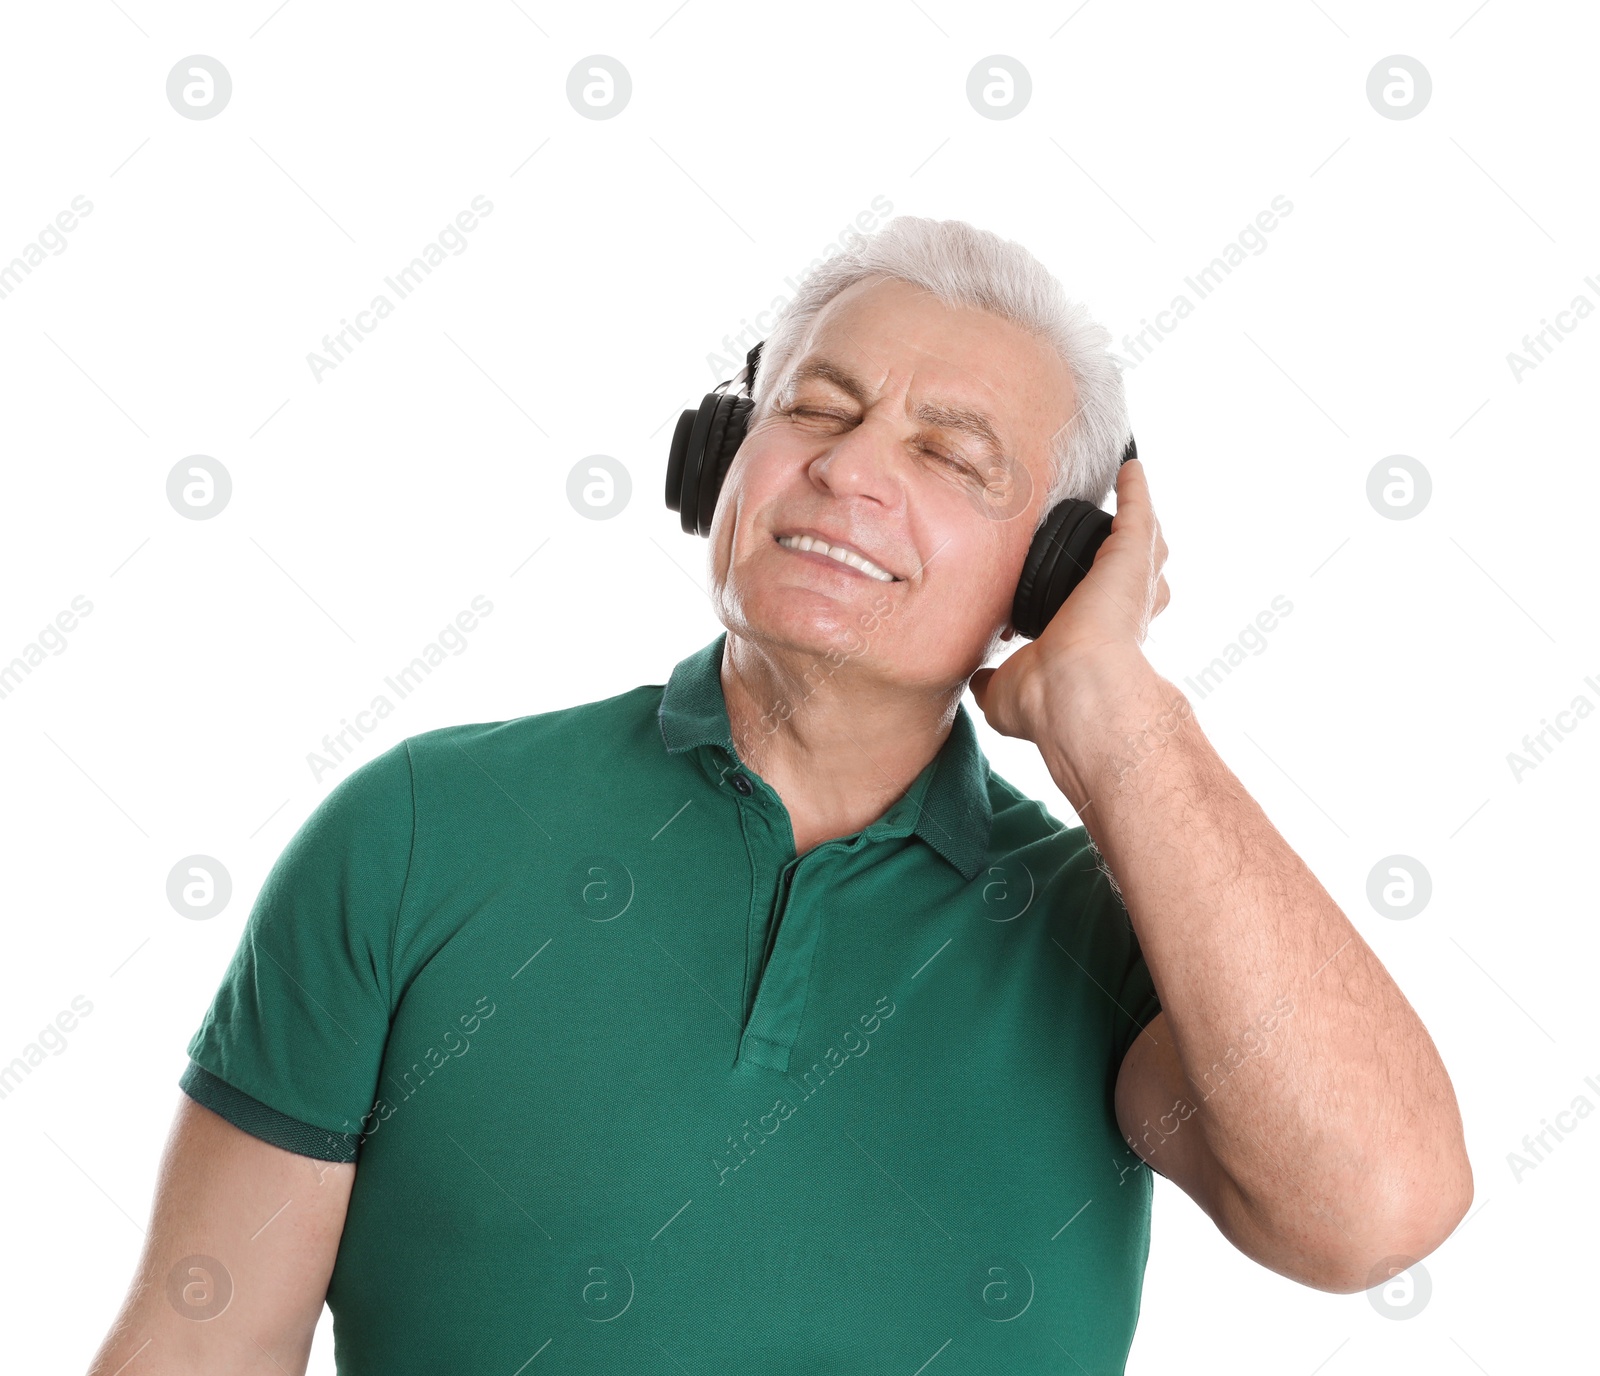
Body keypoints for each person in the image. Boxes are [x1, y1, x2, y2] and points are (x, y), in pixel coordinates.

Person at [87, 216, 1471, 1375]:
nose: (852, 469)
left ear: (1050, 572)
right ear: (722, 461)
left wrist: (1121, 721)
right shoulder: (416, 834)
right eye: (817, 406)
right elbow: (196, 1348)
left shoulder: (1117, 939)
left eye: (949, 454)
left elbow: (1376, 1215)